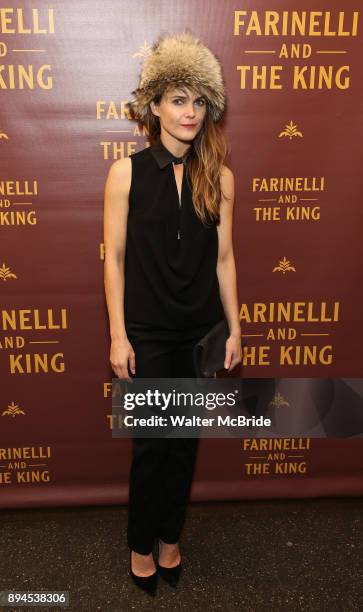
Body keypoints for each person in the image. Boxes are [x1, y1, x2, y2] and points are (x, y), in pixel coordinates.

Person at [103, 31, 242, 596]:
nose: (189, 112)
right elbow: (113, 261)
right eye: (178, 98)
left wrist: (235, 328)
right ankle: (141, 541)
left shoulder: (221, 179)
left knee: (185, 442)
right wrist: (117, 335)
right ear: (154, 104)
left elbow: (226, 259)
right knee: (151, 445)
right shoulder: (126, 175)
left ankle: (170, 537)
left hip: (200, 331)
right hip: (147, 332)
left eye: (199, 101)